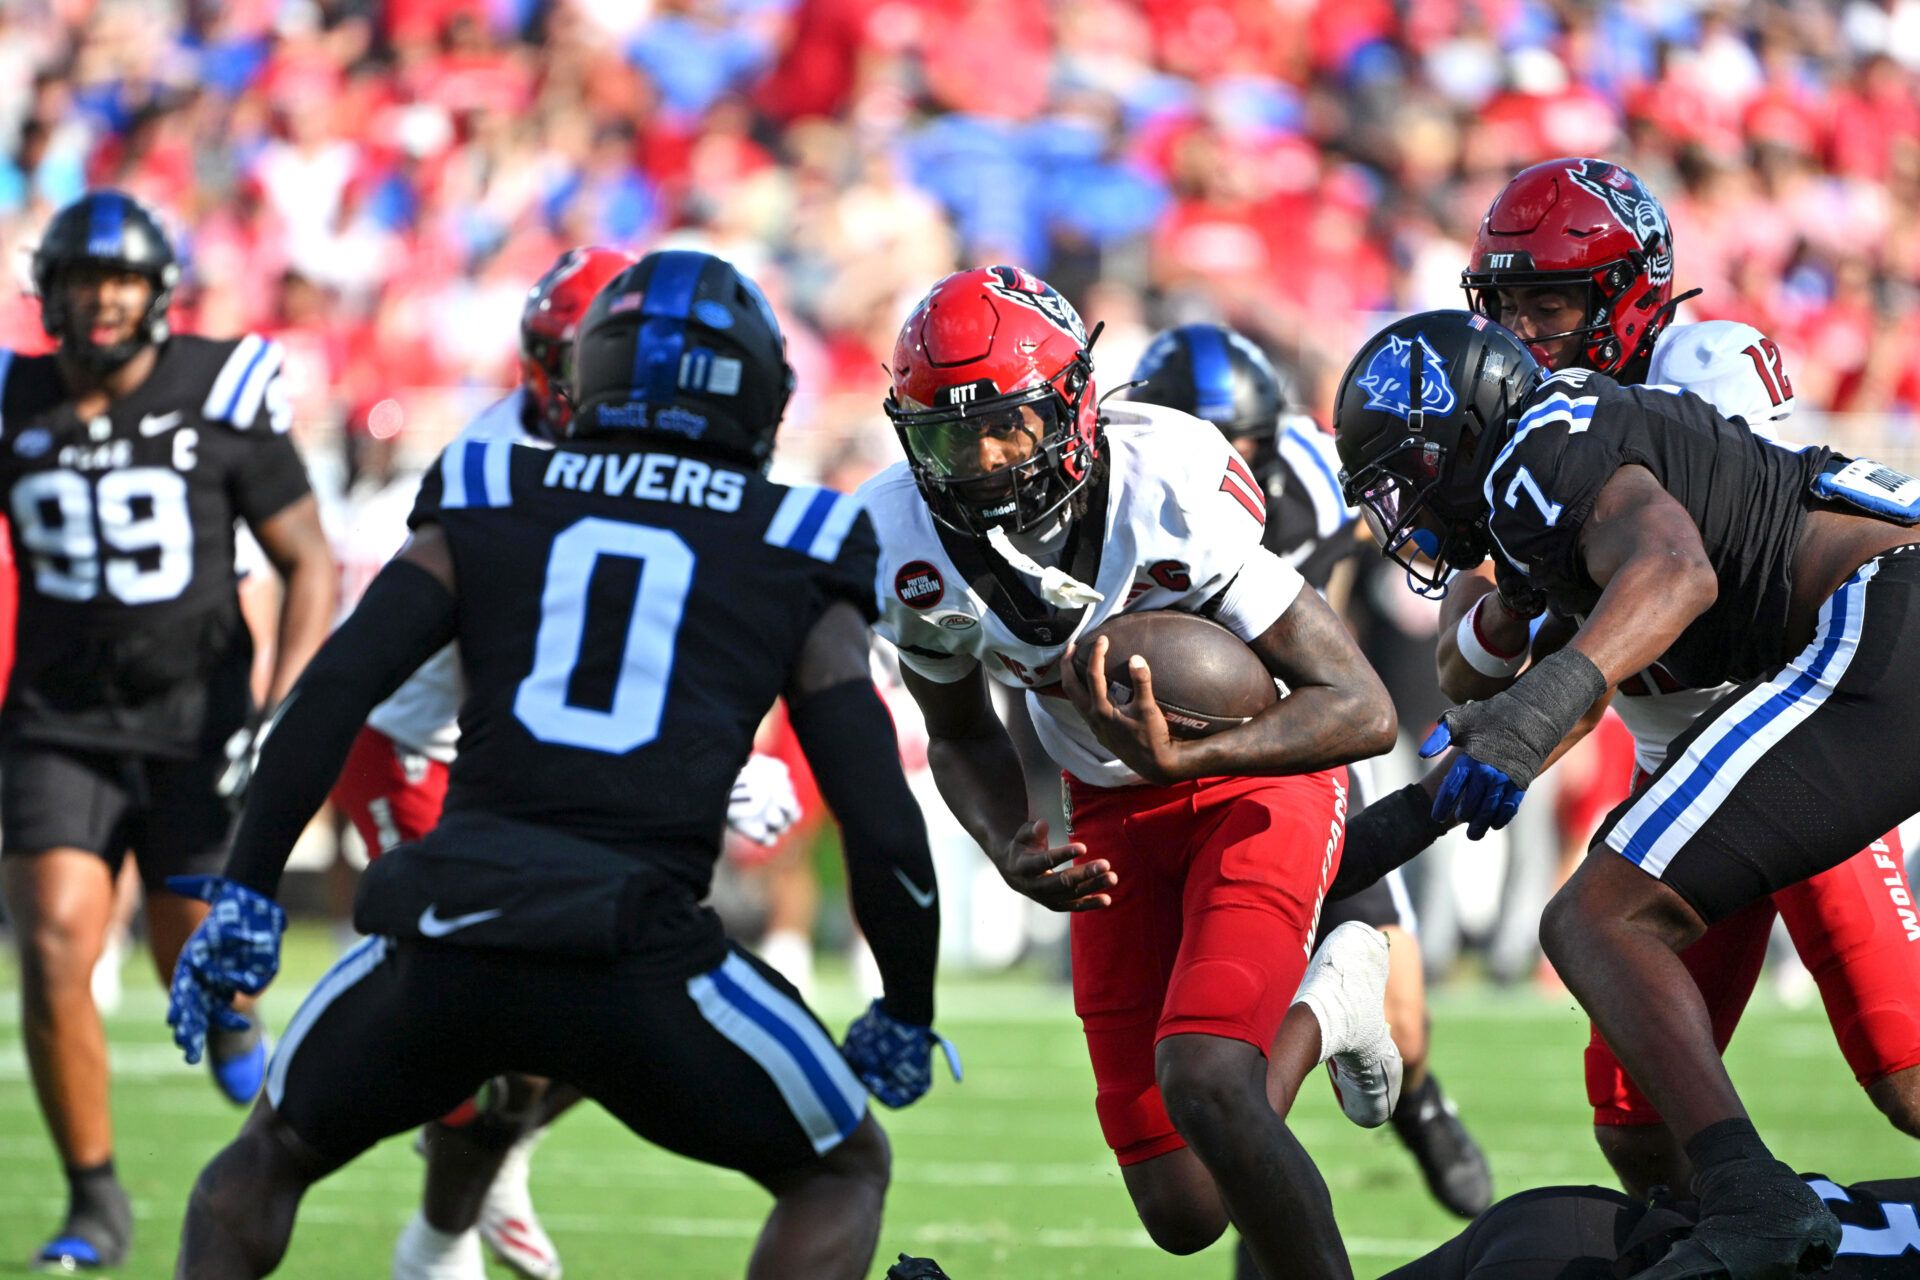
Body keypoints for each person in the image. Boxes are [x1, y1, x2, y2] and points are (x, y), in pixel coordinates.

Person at [165, 249, 950, 1280]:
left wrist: (248, 892)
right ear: (759, 392)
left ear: (593, 375)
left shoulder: (492, 481)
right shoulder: (798, 532)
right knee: (842, 1164)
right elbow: (877, 809)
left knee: (268, 1156)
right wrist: (906, 1001)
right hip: (640, 955)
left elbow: (332, 687)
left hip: (450, 929)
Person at [1333, 306, 1920, 1277]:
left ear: (1459, 429)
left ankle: (1756, 1196)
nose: (1402, 512)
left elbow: (1673, 572)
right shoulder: (1552, 469)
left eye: (1404, 476)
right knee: (1633, 1096)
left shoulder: (1544, 440)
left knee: (1596, 918)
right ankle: (1744, 1206)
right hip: (1859, 638)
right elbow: (1540, 696)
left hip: (1879, 617)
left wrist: (1526, 713)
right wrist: (1376, 838)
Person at [860, 265, 1398, 1279]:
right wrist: (1005, 839)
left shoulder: (1168, 479)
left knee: (1207, 1079)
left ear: (1069, 404)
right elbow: (961, 729)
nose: (980, 463)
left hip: (1257, 780)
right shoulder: (897, 538)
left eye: (1005, 426)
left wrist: (1197, 751)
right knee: (1183, 1205)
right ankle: (1331, 1005)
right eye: (947, 437)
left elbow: (1359, 707)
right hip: (1105, 804)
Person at [1436, 158, 1920, 1200]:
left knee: (1906, 1068)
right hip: (1674, 764)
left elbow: (1705, 573)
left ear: (1627, 291)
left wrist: (1542, 620)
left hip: (1792, 719)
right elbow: (1467, 654)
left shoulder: (1708, 363)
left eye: (1552, 301)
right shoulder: (1509, 424)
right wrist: (1508, 608)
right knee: (1635, 1114)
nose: (1525, 333)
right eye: (1508, 304)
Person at [325, 244, 810, 1280]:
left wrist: (749, 742)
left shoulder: (646, 454)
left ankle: (500, 1152)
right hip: (429, 747)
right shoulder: (497, 468)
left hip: (526, 748)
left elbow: (716, 602)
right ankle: (443, 1217)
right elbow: (569, 649)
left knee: (620, 961)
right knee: (477, 1006)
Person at [0, 190, 337, 1271]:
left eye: (124, 281)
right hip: (59, 722)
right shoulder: (18, 399)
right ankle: (94, 1197)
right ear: (49, 294)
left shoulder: (220, 391)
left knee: (185, 951)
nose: (104, 301)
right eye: (85, 282)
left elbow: (309, 560)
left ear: (158, 292)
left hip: (199, 724)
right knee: (54, 939)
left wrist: (283, 701)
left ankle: (233, 1008)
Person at [1127, 322, 1494, 1227]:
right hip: (1173, 774)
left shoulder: (1322, 474)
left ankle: (1420, 1106)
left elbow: (1444, 530)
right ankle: (1271, 1224)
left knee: (1403, 1029)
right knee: (1219, 1050)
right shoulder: (1123, 493)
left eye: (1242, 444)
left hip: (1308, 745)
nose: (1225, 462)